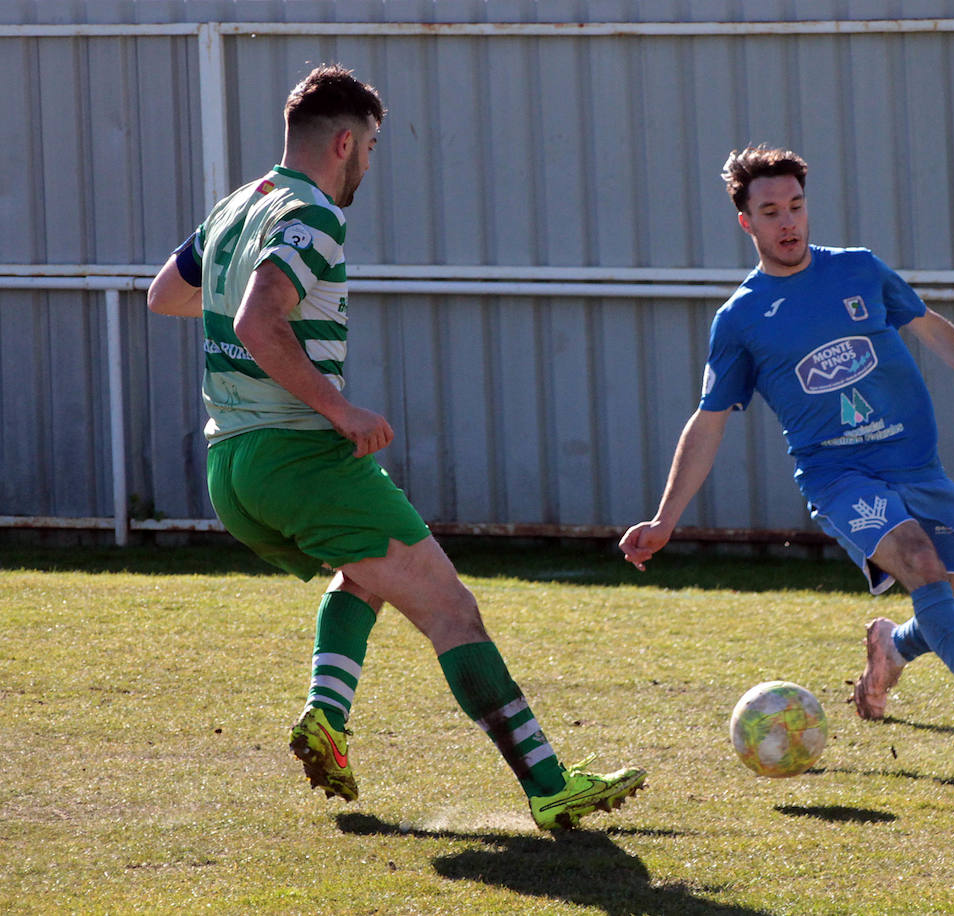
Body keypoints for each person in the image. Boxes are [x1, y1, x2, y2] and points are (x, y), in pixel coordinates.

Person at [147, 63, 644, 828]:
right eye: (372, 147)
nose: (370, 165)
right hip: (299, 457)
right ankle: (550, 784)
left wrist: (251, 337)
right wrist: (336, 406)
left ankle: (327, 719)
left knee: (368, 574)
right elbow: (257, 320)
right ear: (345, 141)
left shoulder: (233, 209)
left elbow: (167, 296)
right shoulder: (312, 215)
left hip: (231, 466)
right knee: (453, 611)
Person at [619, 145, 954, 760]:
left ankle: (894, 646)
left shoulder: (859, 270)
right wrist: (665, 520)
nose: (787, 222)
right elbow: (709, 421)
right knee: (921, 562)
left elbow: (929, 327)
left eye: (796, 206)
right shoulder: (740, 319)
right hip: (839, 475)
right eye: (770, 211)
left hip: (918, 467)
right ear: (746, 221)